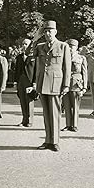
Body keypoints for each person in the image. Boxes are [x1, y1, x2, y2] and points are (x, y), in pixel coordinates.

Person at [33, 20, 71, 152]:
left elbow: (67, 67)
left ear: (55, 32)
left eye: (50, 31)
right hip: (42, 82)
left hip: (56, 83)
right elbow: (27, 53)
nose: (48, 33)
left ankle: (54, 141)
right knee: (46, 113)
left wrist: (66, 85)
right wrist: (36, 37)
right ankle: (47, 140)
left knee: (55, 113)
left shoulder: (63, 46)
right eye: (45, 31)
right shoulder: (40, 46)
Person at [61, 39, 87, 132]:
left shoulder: (81, 58)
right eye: (69, 46)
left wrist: (84, 87)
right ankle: (68, 124)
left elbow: (85, 73)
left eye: (72, 47)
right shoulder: (64, 57)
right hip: (65, 83)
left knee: (75, 105)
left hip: (76, 84)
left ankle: (74, 125)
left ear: (76, 48)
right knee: (67, 105)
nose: (70, 48)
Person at [14, 38, 37, 127]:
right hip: (21, 81)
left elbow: (36, 70)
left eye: (26, 44)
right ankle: (24, 119)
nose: (24, 46)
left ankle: (30, 121)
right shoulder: (19, 56)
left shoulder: (34, 57)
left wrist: (34, 83)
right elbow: (17, 70)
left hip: (29, 81)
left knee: (29, 100)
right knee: (22, 100)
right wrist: (16, 82)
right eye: (23, 44)